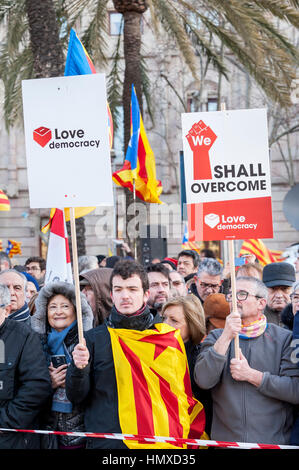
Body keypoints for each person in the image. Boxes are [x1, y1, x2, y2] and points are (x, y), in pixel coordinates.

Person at [66, 260, 205, 449]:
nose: (125, 296)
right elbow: (76, 396)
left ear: (145, 294)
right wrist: (78, 369)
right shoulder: (92, 340)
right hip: (110, 444)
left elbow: (180, 397)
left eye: (132, 289)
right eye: (119, 289)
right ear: (111, 295)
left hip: (160, 446)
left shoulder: (167, 338)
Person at [194, 276, 299, 445]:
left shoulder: (284, 339)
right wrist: (226, 336)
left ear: (261, 303)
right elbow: (204, 380)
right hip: (226, 444)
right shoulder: (216, 337)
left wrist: (252, 375)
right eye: (231, 295)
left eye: (241, 294)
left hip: (272, 444)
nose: (234, 300)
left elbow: (294, 390)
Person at [31, 282, 94, 449]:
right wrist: (48, 383)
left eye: (65, 306)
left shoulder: (88, 341)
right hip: (45, 432)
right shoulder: (33, 343)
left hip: (80, 435)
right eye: (52, 307)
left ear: (76, 309)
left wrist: (74, 377)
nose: (58, 312)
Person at [0, 283, 52, 449]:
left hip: (10, 438)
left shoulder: (24, 336)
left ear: (6, 310)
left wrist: (5, 422)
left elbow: (36, 387)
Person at [161, 294, 212, 435]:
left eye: (174, 320)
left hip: (193, 434)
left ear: (192, 325)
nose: (165, 324)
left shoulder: (200, 359)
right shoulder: (154, 353)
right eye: (164, 318)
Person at [262, 261, 296, 326]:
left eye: (285, 289)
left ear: (293, 290)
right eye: (273, 289)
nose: (279, 295)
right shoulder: (254, 318)